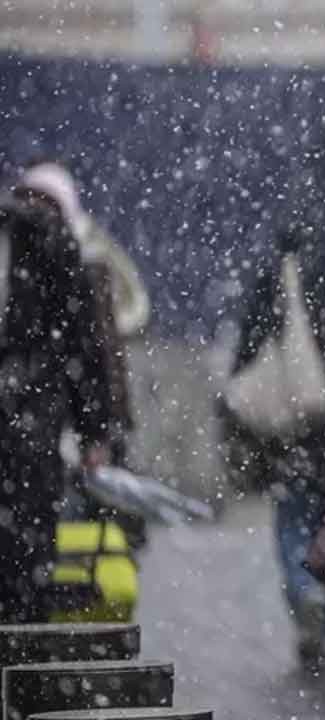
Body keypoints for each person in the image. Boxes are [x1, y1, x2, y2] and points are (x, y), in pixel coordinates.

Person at [229, 199, 325, 675]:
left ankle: (304, 592)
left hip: (293, 429)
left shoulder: (278, 278)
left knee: (294, 521)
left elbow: (247, 348)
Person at [0, 181, 113, 622]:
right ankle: (21, 631)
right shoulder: (56, 242)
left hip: (28, 402)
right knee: (28, 535)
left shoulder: (26, 238)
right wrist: (95, 431)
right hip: (32, 412)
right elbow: (85, 346)